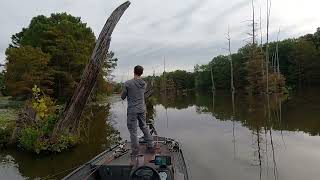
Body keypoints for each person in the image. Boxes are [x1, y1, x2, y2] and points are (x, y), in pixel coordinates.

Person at [121, 65, 154, 158]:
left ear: (134, 71)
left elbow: (122, 97)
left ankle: (135, 152)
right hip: (142, 109)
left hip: (132, 110)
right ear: (141, 73)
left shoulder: (127, 83)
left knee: (133, 131)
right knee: (144, 126)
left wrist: (124, 90)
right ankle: (151, 145)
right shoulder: (144, 83)